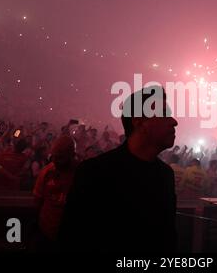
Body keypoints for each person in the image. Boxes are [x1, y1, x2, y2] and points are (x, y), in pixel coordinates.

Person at [59, 86, 178, 252]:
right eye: (164, 114)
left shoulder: (166, 176)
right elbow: (71, 239)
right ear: (140, 122)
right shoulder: (95, 173)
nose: (174, 121)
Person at [32, 136, 78, 250]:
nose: (57, 161)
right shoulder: (47, 172)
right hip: (47, 230)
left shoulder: (81, 172)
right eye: (55, 157)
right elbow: (37, 200)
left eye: (61, 158)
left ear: (72, 155)